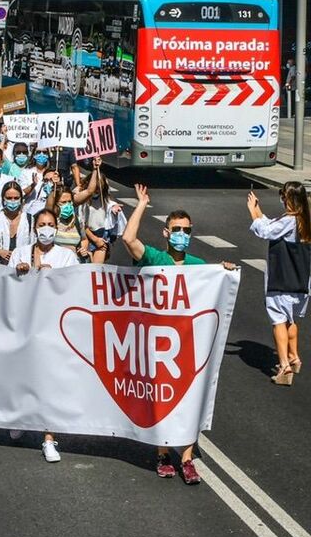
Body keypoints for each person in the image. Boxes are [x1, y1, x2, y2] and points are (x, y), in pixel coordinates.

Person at [123, 185, 236, 483]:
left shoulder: (199, 267)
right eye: (176, 229)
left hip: (187, 343)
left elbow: (214, 290)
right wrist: (142, 204)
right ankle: (162, 454)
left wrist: (224, 271)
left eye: (186, 230)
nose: (182, 234)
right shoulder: (154, 259)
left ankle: (187, 458)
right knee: (160, 398)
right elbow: (128, 239)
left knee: (190, 397)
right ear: (165, 232)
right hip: (156, 344)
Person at [247, 183, 311, 385]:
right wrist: (258, 211)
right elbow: (272, 226)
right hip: (300, 281)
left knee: (278, 321)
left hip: (282, 279)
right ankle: (294, 357)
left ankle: (284, 366)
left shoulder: (290, 220)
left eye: (283, 196)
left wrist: (252, 213)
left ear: (290, 199)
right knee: (291, 320)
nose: (281, 199)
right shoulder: (304, 220)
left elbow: (267, 232)